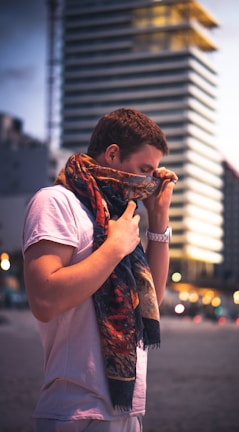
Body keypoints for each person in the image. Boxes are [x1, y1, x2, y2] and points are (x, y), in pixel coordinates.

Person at [22, 108, 177, 432]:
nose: (148, 182)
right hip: (74, 413)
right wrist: (113, 248)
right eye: (144, 170)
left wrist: (159, 220)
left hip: (126, 411)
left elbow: (151, 300)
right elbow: (44, 300)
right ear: (112, 154)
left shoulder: (121, 216)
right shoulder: (56, 202)